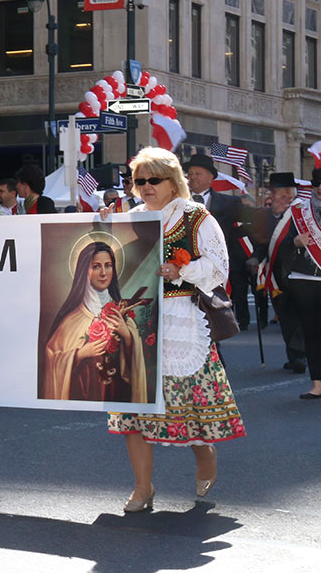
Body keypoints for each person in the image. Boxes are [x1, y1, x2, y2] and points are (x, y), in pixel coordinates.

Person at [104, 147, 244, 512]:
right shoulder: (130, 217)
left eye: (154, 179)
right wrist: (100, 229)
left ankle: (205, 456)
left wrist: (182, 270)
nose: (146, 186)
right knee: (134, 410)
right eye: (139, 180)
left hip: (182, 319)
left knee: (187, 406)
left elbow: (219, 269)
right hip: (137, 320)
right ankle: (142, 488)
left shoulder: (196, 216)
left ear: (172, 181)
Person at [41, 241, 146, 403]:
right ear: (84, 271)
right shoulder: (70, 321)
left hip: (117, 399)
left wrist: (127, 335)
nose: (103, 273)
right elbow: (52, 358)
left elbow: (136, 368)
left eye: (108, 266)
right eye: (96, 266)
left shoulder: (122, 315)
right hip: (83, 400)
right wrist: (80, 354)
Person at [261, 169, 321, 391]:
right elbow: (273, 243)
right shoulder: (289, 213)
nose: (320, 188)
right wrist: (293, 242)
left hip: (309, 274)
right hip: (294, 277)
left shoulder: (300, 210)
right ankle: (309, 373)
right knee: (300, 325)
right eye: (317, 184)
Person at [185, 154, 253, 329]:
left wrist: (230, 236)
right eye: (190, 174)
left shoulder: (229, 202)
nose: (192, 177)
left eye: (198, 173)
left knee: (213, 308)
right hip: (186, 263)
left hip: (215, 264)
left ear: (210, 177)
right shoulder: (179, 201)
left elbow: (252, 221)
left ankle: (215, 340)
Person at [255, 172, 309, 372]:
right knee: (285, 317)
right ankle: (294, 355)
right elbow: (262, 242)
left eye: (276, 192)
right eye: (273, 192)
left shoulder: (302, 212)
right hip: (276, 276)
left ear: (289, 193)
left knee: (299, 316)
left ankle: (300, 356)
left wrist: (294, 242)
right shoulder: (266, 215)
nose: (273, 196)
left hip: (299, 271)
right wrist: (254, 258)